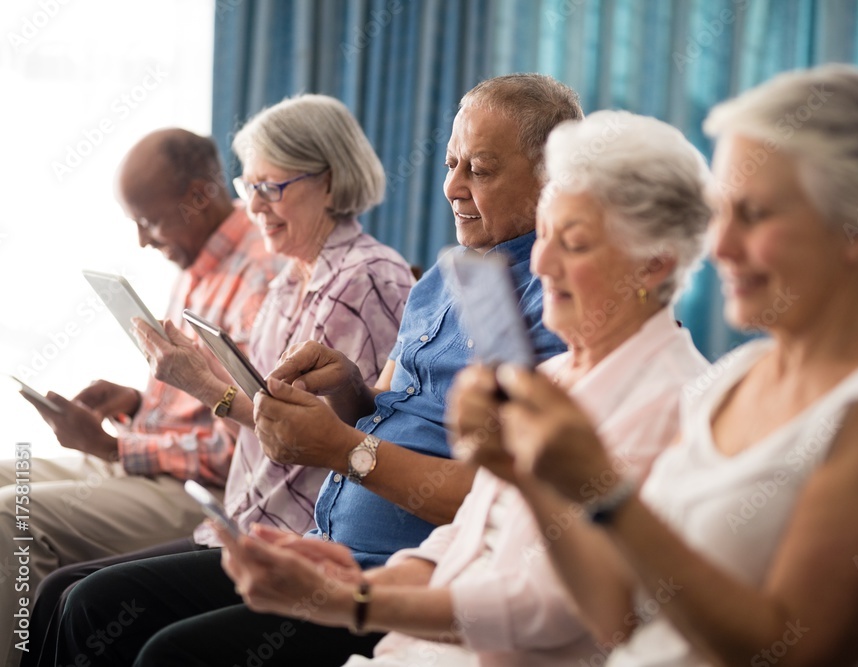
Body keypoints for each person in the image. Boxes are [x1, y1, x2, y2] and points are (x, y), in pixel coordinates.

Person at [461, 65, 858, 666]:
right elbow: (618, 618)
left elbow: (789, 650)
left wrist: (607, 491)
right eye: (723, 213)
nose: (719, 247)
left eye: (757, 214)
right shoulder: (731, 380)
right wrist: (532, 477)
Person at [58, 74, 580, 666]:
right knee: (88, 603)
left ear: (552, 176)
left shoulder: (557, 303)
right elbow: (383, 408)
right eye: (450, 162)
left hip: (390, 573)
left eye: (479, 170)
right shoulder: (443, 278)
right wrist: (349, 388)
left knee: (163, 649)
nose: (452, 186)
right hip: (322, 542)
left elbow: (500, 500)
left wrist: (339, 449)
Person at [214, 110, 715, 666]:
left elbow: (560, 612)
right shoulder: (551, 377)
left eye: (571, 243)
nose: (541, 262)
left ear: (652, 267)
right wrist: (371, 578)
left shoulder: (673, 403)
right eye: (545, 235)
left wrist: (353, 601)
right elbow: (471, 527)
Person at [28, 94, 412, 667]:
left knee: (87, 602)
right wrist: (177, 388)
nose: (253, 207)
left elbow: (333, 441)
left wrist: (203, 387)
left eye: (271, 188)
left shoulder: (369, 278)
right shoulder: (289, 280)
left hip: (299, 534)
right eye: (248, 185)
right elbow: (259, 416)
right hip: (244, 518)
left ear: (330, 184)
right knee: (64, 594)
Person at [0, 128, 283, 667]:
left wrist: (112, 451)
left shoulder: (260, 279)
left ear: (201, 196)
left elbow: (252, 441)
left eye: (149, 221)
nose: (142, 241)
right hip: (150, 456)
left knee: (11, 517)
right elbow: (201, 398)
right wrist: (135, 403)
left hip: (199, 488)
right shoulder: (200, 261)